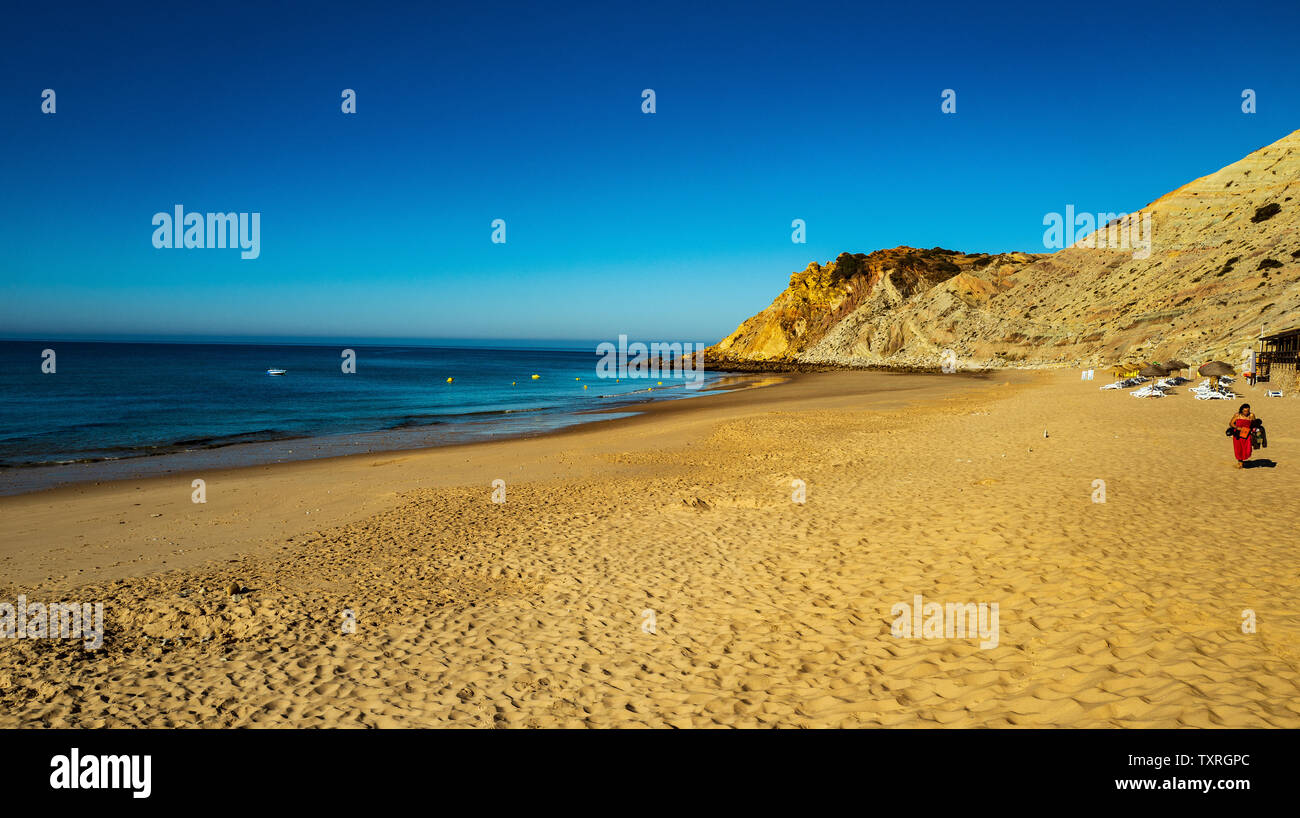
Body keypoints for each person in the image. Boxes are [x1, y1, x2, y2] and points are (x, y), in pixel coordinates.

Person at [1229, 403, 1257, 468]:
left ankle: (1243, 461)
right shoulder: (1237, 415)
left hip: (1247, 434)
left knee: (1247, 448)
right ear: (1241, 410)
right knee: (1238, 448)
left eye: (1248, 411)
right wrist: (1237, 427)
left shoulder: (1251, 415)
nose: (1246, 412)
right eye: (1244, 411)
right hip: (1238, 434)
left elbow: (1254, 424)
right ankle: (1240, 463)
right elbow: (1231, 423)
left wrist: (1253, 429)